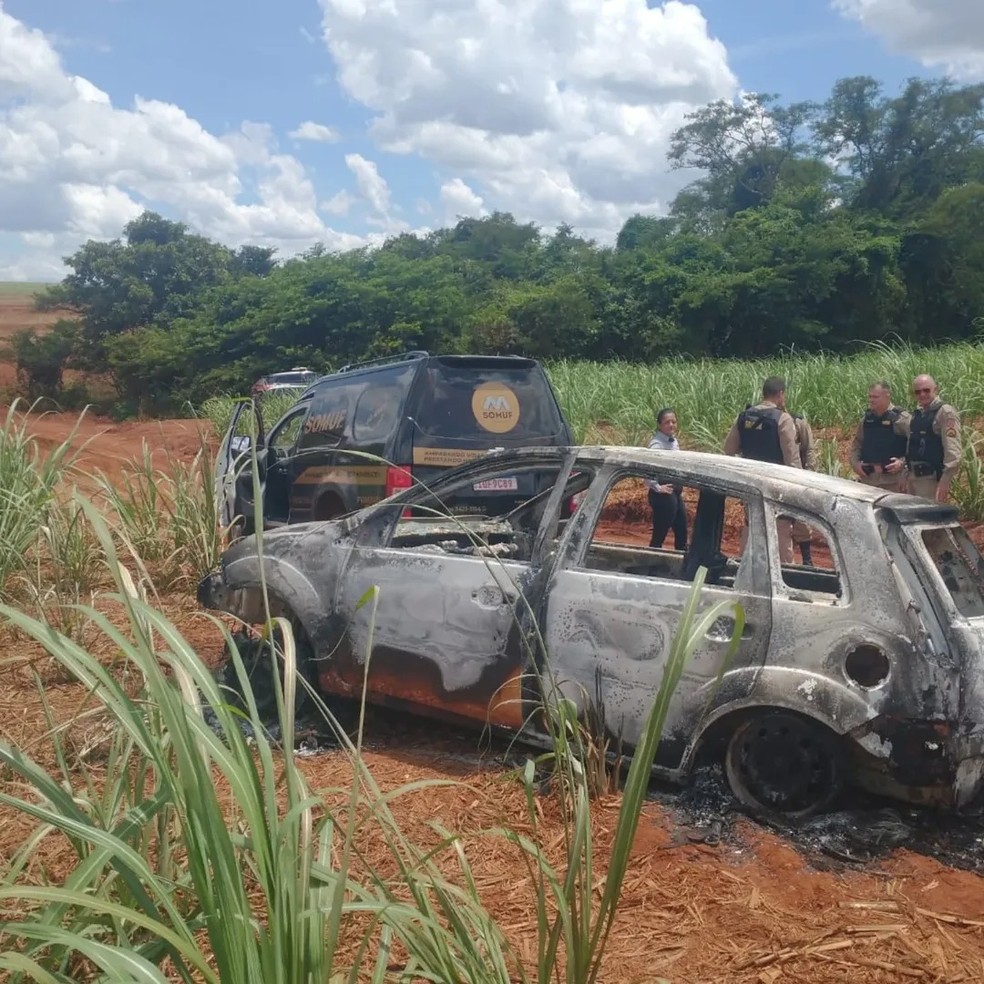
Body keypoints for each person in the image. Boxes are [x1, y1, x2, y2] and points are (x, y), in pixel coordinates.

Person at [724, 376, 801, 563]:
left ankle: (744, 572)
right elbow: (792, 459)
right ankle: (785, 575)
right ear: (780, 394)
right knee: (780, 536)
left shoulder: (744, 417)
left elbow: (729, 449)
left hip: (751, 485)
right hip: (776, 487)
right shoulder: (783, 419)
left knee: (751, 531)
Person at [905, 375, 962, 502]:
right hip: (914, 479)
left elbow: (953, 451)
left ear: (935, 389)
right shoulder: (918, 414)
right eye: (918, 392)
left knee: (929, 514)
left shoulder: (945, 412)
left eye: (926, 390)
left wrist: (945, 480)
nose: (922, 394)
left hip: (932, 481)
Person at [849, 381, 911, 491]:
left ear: (887, 396)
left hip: (894, 482)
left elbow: (916, 445)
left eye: (875, 397)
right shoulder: (867, 420)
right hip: (869, 480)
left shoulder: (902, 419)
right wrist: (855, 464)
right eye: (870, 396)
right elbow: (857, 443)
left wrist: (902, 463)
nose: (871, 400)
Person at [645, 407, 687, 551]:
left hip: (674, 492)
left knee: (682, 529)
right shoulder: (656, 445)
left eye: (673, 422)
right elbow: (648, 469)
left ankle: (682, 561)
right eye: (667, 422)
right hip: (662, 495)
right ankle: (652, 560)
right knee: (660, 533)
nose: (671, 425)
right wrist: (657, 487)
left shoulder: (674, 442)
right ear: (659, 425)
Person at [789, 408, 818, 565]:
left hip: (797, 478)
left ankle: (807, 560)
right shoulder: (769, 421)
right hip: (774, 477)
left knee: (801, 520)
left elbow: (809, 450)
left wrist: (809, 476)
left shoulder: (798, 423)